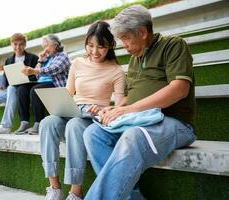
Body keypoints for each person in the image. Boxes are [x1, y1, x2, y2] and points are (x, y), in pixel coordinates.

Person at [83, 5, 197, 200]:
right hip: (140, 120)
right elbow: (129, 97)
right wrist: (116, 109)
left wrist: (129, 109)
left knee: (132, 136)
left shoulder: (173, 45)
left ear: (143, 32)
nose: (123, 45)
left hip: (174, 122)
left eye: (126, 38)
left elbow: (179, 88)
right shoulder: (135, 58)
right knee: (93, 133)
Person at [40, 21, 125, 200]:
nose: (94, 52)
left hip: (93, 118)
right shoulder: (77, 63)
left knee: (75, 125)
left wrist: (104, 108)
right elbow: (69, 93)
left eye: (101, 47)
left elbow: (118, 106)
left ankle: (76, 192)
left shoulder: (116, 71)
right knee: (48, 122)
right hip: (74, 109)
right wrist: (58, 105)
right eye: (90, 45)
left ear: (111, 45)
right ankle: (54, 188)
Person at [15, 34, 71, 135]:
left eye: (46, 46)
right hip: (43, 83)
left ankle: (38, 122)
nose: (45, 49)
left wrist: (34, 71)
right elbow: (37, 76)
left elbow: (54, 69)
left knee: (36, 90)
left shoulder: (62, 56)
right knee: (22, 89)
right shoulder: (47, 58)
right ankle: (25, 121)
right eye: (43, 47)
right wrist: (40, 60)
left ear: (55, 45)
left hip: (55, 84)